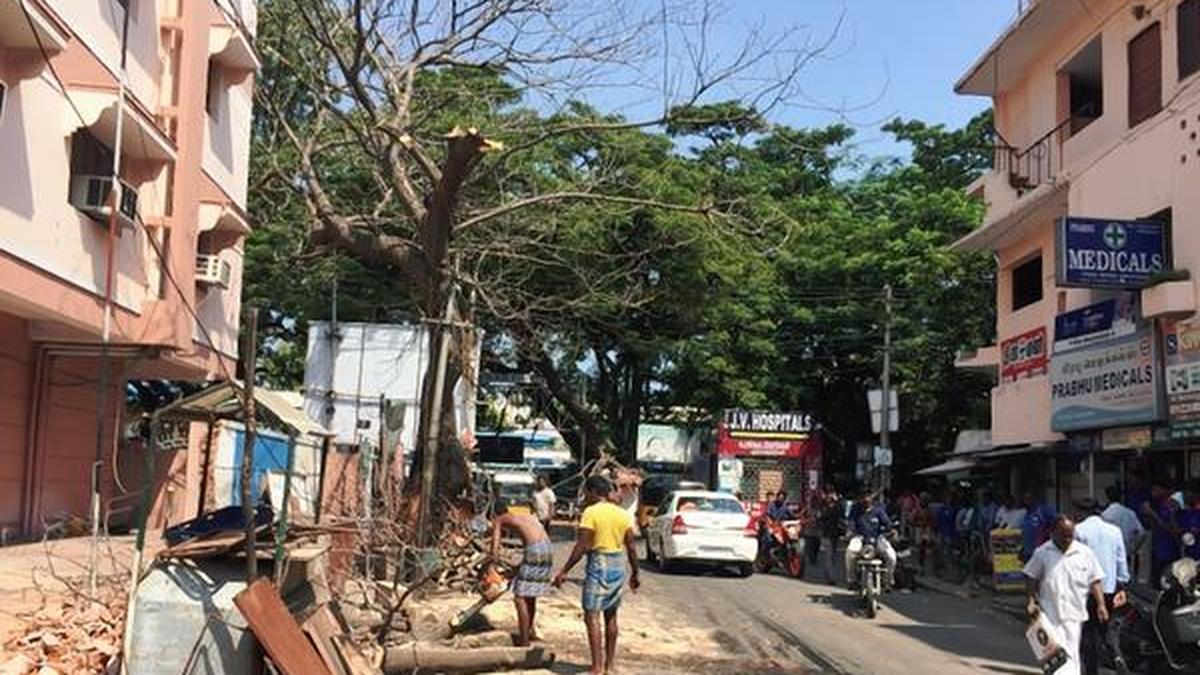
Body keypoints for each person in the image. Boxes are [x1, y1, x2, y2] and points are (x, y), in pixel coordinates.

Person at [552, 476, 640, 675]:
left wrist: (564, 570)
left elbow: (583, 545)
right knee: (611, 615)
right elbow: (632, 547)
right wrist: (635, 573)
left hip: (600, 563)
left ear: (592, 491)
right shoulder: (622, 513)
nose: (584, 496)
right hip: (619, 563)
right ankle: (609, 665)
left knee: (592, 615)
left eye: (586, 492)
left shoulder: (590, 512)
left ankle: (597, 667)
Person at [1024, 516, 1108, 675]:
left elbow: (1095, 580)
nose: (1067, 539)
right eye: (1064, 535)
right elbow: (1031, 576)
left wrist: (1101, 604)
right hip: (1050, 612)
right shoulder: (1042, 552)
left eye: (1071, 535)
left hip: (1074, 612)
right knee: (1054, 653)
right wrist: (1031, 599)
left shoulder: (1085, 553)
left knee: (1072, 652)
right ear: (1053, 533)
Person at [1072, 498, 1130, 675]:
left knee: (1089, 631)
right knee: (1106, 629)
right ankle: (1118, 660)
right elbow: (1121, 560)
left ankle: (1091, 670)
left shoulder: (1078, 531)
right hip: (1109, 588)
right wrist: (1122, 586)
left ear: (1081, 511)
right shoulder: (1114, 531)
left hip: (1086, 589)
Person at [490, 502, 553, 647]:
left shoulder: (500, 518)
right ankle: (529, 631)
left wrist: (491, 567)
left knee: (520, 598)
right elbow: (532, 549)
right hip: (547, 548)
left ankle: (524, 642)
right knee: (530, 595)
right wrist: (513, 571)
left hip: (535, 550)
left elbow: (495, 548)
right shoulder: (524, 514)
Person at [845, 491, 897, 588]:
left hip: (877, 538)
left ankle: (887, 580)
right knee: (850, 552)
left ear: (872, 498)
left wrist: (892, 530)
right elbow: (851, 523)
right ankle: (851, 580)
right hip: (859, 538)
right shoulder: (855, 510)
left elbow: (887, 523)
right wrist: (849, 532)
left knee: (891, 556)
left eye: (868, 496)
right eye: (864, 497)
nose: (866, 499)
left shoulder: (878, 510)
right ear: (860, 498)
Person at [1142, 479, 1181, 587]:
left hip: (1169, 548)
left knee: (1169, 579)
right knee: (1156, 579)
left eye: (1156, 489)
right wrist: (1147, 515)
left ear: (1164, 489)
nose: (1153, 492)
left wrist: (1152, 513)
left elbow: (1169, 528)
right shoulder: (1156, 504)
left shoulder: (1173, 505)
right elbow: (1152, 526)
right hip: (1157, 547)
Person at [1101, 484, 1146, 573]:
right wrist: (1134, 548)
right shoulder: (1130, 513)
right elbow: (1142, 533)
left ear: (1107, 497)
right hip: (1126, 553)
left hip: (1110, 554)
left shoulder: (1105, 515)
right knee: (1126, 581)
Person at [1020, 492, 1056, 562]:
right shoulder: (1027, 513)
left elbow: (1055, 526)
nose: (1026, 501)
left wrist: (1045, 534)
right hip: (1028, 552)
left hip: (1041, 552)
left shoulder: (1044, 510)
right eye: (1024, 499)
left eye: (1028, 499)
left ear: (1034, 499)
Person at [817, 489, 843, 585]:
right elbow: (820, 518)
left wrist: (837, 502)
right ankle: (830, 578)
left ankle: (829, 575)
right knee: (828, 556)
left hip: (835, 534)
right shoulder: (823, 507)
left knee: (832, 556)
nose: (830, 497)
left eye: (832, 496)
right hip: (827, 534)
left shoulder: (837, 506)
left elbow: (841, 513)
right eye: (829, 496)